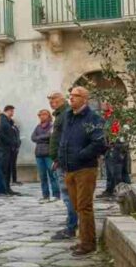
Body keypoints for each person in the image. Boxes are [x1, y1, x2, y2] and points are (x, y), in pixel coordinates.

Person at [58, 86, 107, 256]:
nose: (71, 98)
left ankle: (87, 244)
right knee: (78, 206)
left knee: (85, 206)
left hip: (85, 168)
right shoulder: (68, 116)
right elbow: (63, 139)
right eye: (70, 95)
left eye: (75, 96)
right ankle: (84, 239)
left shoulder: (93, 118)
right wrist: (60, 159)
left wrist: (80, 155)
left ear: (85, 99)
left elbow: (100, 143)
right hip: (69, 168)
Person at [48, 91, 78, 241]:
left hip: (64, 161)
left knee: (68, 195)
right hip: (60, 159)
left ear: (62, 100)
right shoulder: (60, 115)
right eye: (50, 99)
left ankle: (72, 226)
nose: (51, 101)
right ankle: (71, 222)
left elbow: (65, 139)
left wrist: (59, 158)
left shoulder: (65, 114)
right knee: (68, 194)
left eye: (54, 99)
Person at [98, 103, 129, 200]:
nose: (102, 104)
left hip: (116, 147)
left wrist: (111, 143)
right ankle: (110, 190)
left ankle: (121, 191)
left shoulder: (114, 118)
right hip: (111, 147)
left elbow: (115, 134)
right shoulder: (107, 117)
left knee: (116, 171)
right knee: (110, 171)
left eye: (105, 103)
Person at [31, 109, 60, 204]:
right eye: (40, 115)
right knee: (42, 176)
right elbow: (33, 138)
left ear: (48, 116)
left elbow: (50, 136)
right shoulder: (38, 127)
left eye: (44, 115)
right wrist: (43, 137)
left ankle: (56, 195)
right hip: (39, 154)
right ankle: (45, 195)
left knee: (52, 175)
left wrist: (40, 138)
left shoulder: (52, 126)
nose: (42, 116)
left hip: (48, 154)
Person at [0, 105, 20, 196]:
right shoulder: (3, 121)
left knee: (8, 169)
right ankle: (4, 188)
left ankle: (7, 188)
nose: (13, 113)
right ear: (8, 111)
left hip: (10, 149)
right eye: (12, 111)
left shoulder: (9, 121)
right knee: (5, 169)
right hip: (5, 149)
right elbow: (1, 134)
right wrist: (11, 142)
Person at [11, 118, 22, 185]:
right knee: (11, 165)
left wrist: (18, 144)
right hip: (11, 148)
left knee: (13, 165)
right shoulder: (10, 128)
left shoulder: (15, 128)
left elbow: (17, 137)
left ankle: (14, 179)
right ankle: (12, 180)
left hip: (15, 148)